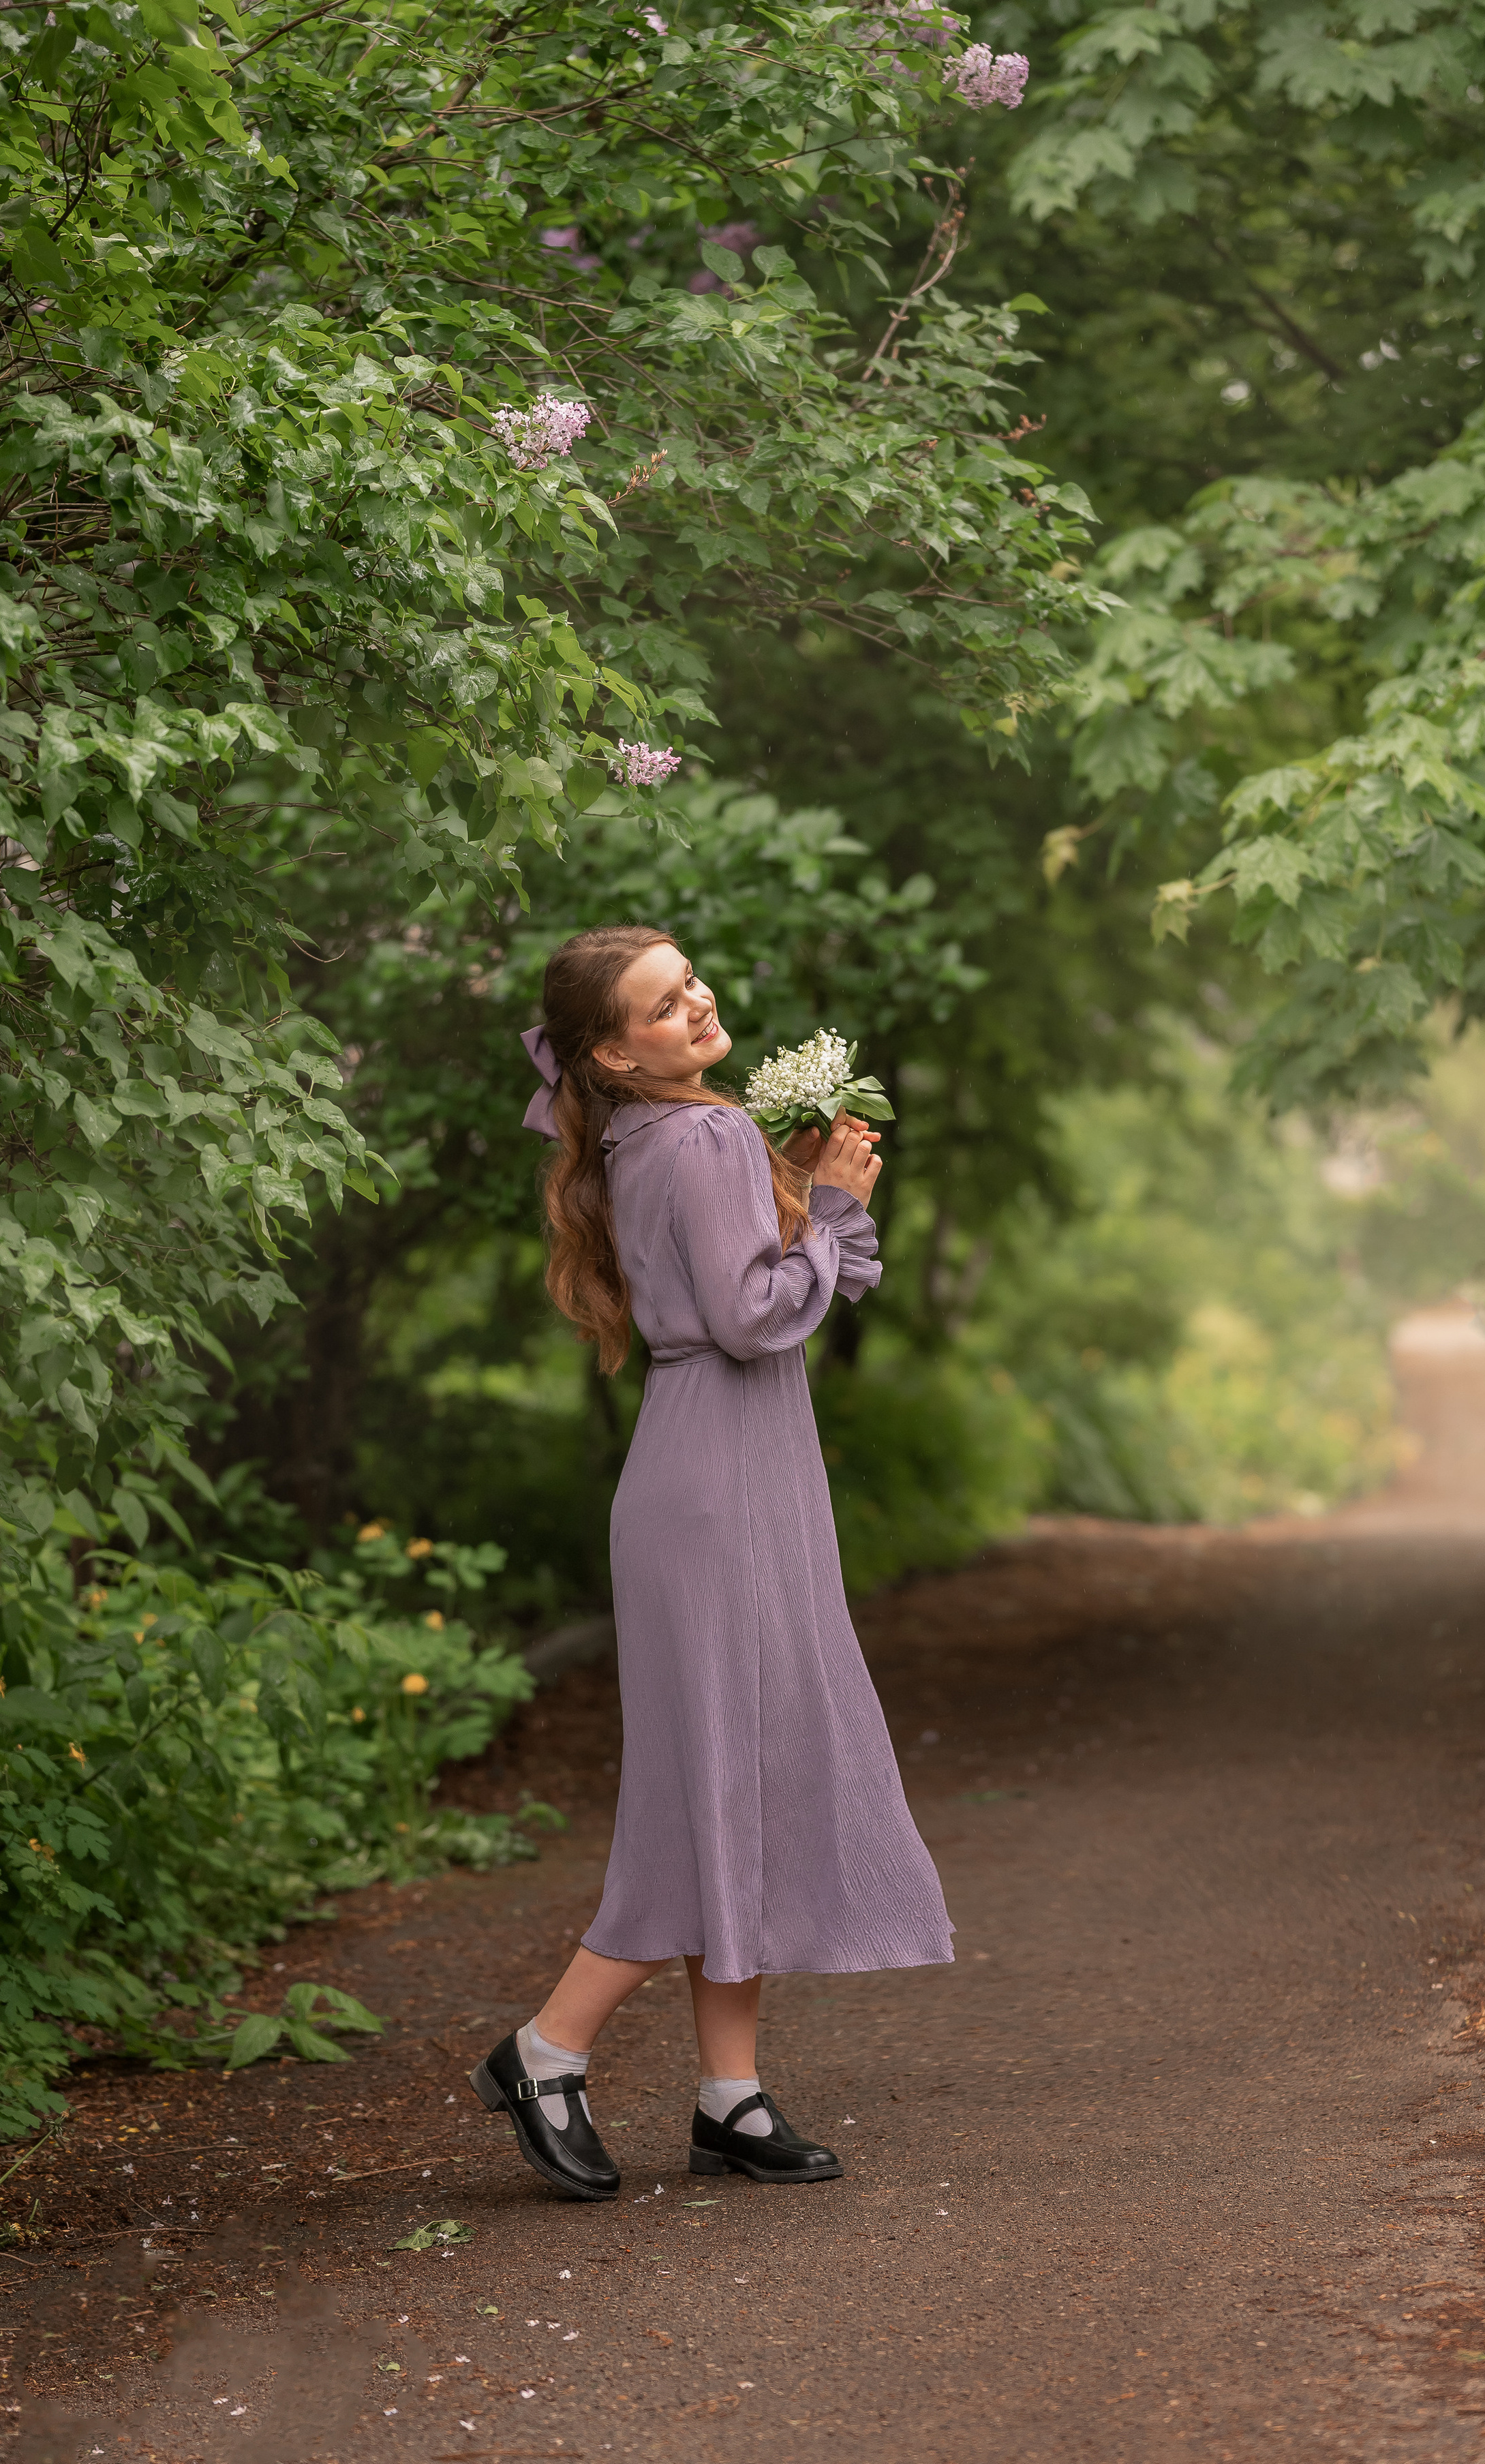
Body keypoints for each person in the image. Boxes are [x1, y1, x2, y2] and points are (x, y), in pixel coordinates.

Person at [468, 922, 953, 2198]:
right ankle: (549, 2046)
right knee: (714, 1783)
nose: (695, 1005)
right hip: (722, 1483)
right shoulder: (701, 1133)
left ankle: (729, 2096)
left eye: (690, 984)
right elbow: (753, 1318)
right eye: (661, 1004)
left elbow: (730, 1282)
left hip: (705, 1474)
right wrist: (837, 1204)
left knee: (739, 1769)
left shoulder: (655, 1134)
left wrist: (796, 1184)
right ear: (613, 1054)